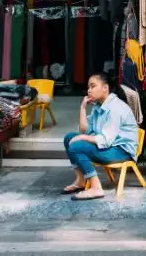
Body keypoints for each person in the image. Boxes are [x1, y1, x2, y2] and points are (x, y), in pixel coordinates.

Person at [60, 72, 139, 201]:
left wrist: (83, 138)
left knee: (77, 146)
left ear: (105, 88)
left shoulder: (115, 107)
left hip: (121, 151)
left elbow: (105, 140)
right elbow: (84, 130)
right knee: (69, 138)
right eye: (88, 87)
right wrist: (83, 108)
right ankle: (80, 180)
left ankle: (96, 187)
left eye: (93, 86)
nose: (89, 90)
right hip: (110, 147)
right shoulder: (99, 106)